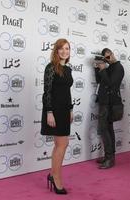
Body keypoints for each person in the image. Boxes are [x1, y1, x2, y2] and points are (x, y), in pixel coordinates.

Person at [41, 38, 73, 195]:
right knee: (62, 144)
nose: (64, 51)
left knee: (60, 144)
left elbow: (67, 92)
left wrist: (71, 110)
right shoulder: (51, 67)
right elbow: (47, 92)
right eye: (61, 48)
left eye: (67, 48)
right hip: (54, 110)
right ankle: (56, 178)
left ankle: (53, 174)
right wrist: (49, 112)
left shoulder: (68, 69)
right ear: (56, 50)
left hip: (65, 110)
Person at [94, 48, 125, 169]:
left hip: (110, 103)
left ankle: (109, 158)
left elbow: (111, 83)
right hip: (104, 102)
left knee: (103, 129)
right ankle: (109, 157)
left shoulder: (118, 67)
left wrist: (103, 70)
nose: (107, 59)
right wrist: (97, 68)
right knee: (107, 129)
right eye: (105, 58)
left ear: (112, 54)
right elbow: (99, 80)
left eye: (108, 56)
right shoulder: (108, 68)